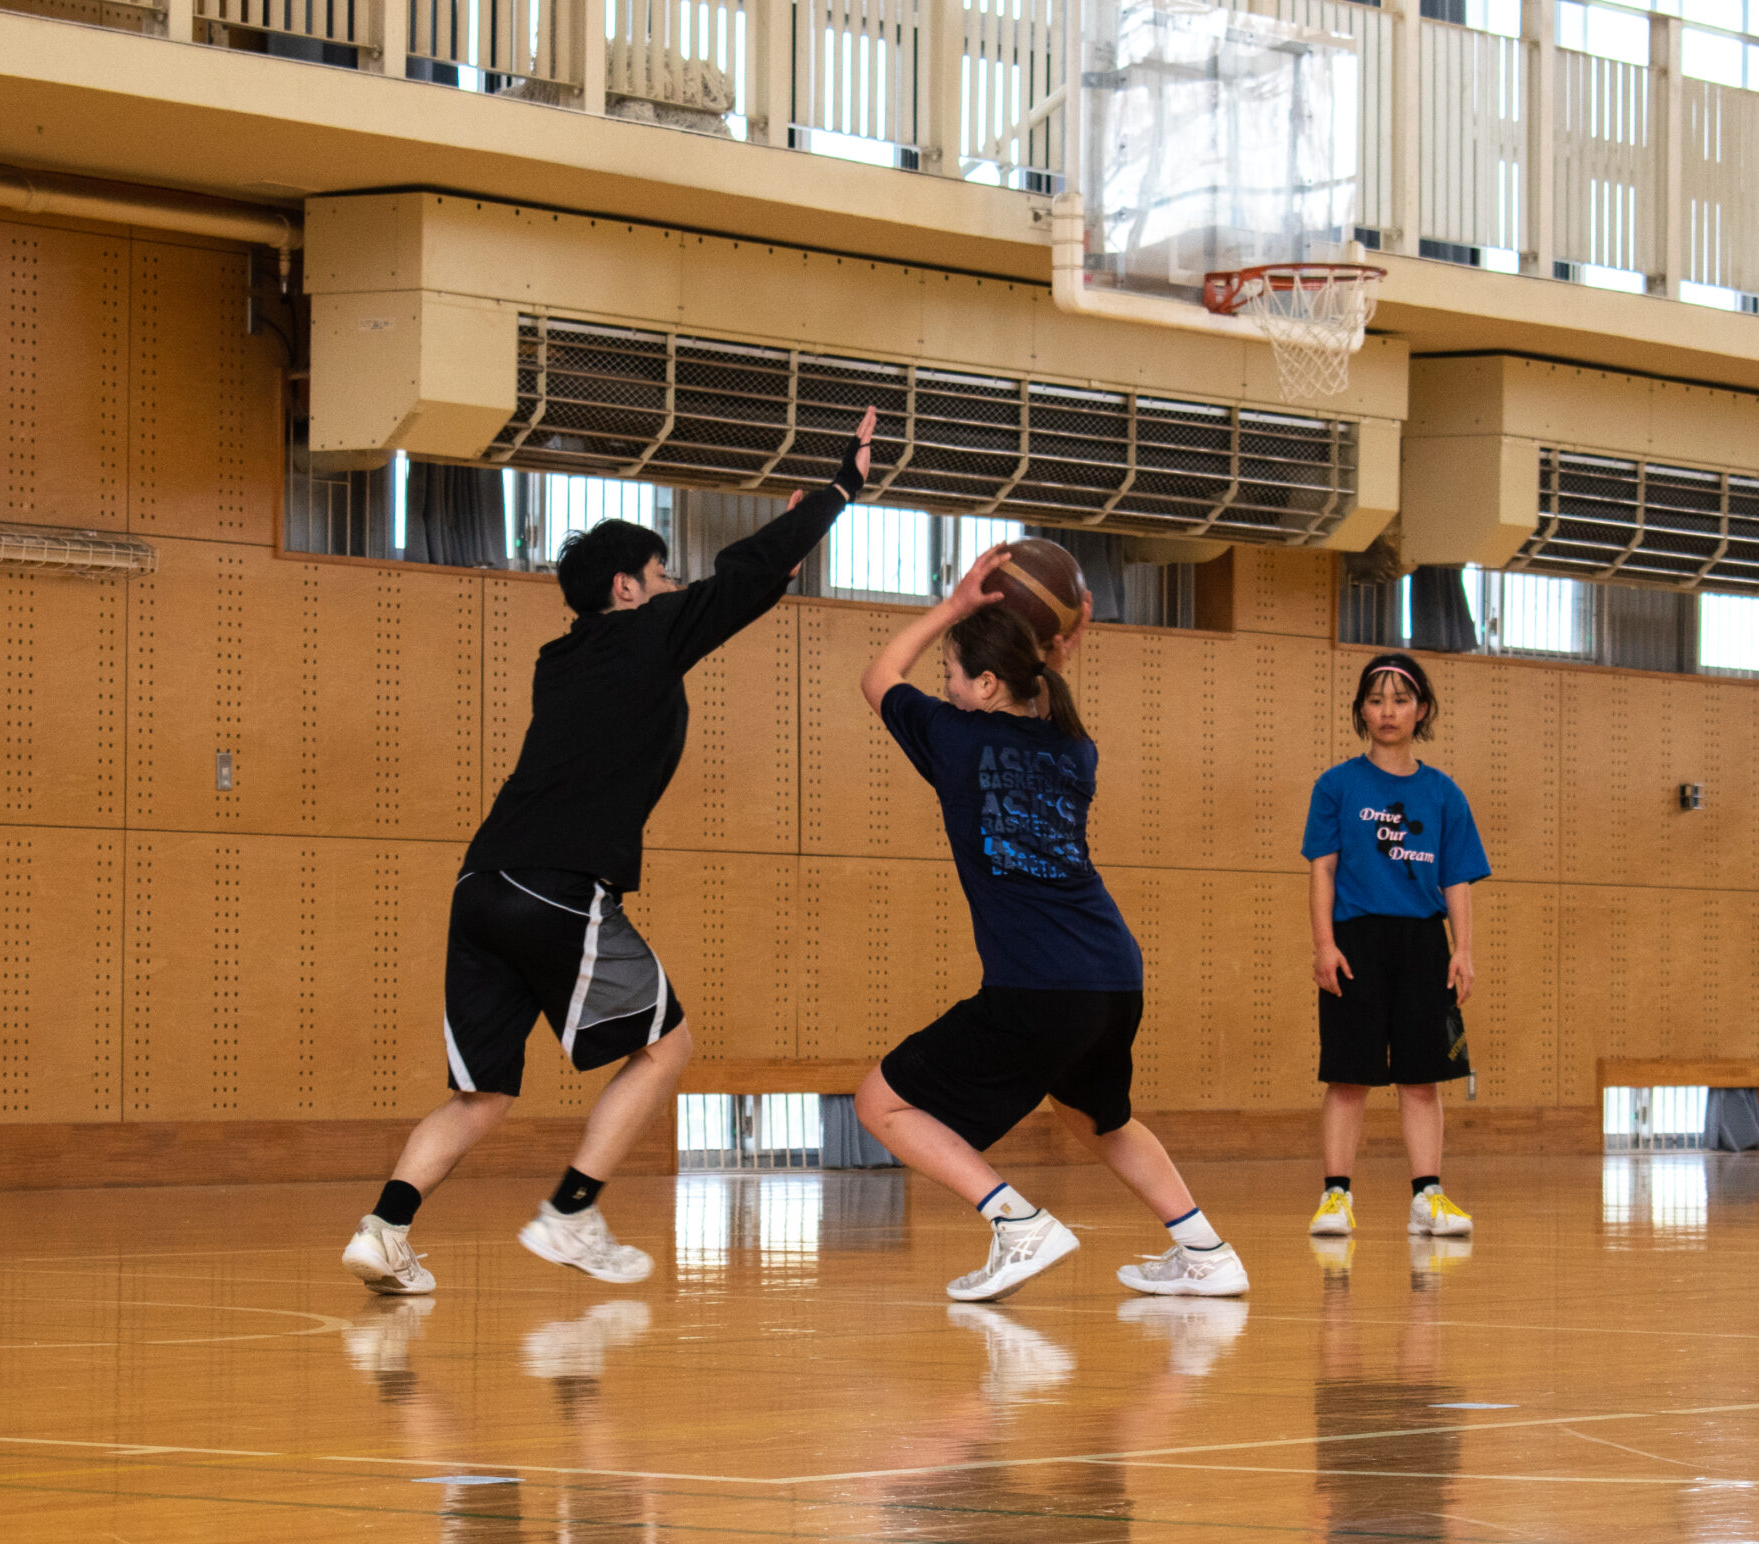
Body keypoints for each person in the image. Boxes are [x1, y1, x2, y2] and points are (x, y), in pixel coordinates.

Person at [340, 410, 878, 1294]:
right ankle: (572, 1210)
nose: (676, 588)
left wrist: (784, 549)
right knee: (667, 1047)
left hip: (480, 885)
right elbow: (739, 577)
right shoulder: (647, 633)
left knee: (482, 1094)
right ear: (628, 589)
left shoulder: (564, 657)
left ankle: (385, 1227)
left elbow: (744, 584)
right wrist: (840, 489)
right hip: (554, 884)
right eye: (665, 575)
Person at [851, 551, 1249, 1304]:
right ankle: (1205, 1249)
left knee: (881, 1101)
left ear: (988, 684)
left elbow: (878, 678)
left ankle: (1016, 1221)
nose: (945, 686)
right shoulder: (1076, 751)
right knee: (1094, 1115)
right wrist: (1061, 636)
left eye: (954, 673)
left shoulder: (956, 739)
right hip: (1112, 975)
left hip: (1038, 986)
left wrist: (953, 604)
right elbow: (1044, 681)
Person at [1302, 650, 1488, 1241]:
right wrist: (1324, 944)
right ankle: (1336, 1198)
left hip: (1422, 942)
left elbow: (1455, 876)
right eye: (1376, 700)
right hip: (1357, 939)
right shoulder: (1336, 785)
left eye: (1400, 699)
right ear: (1360, 710)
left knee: (1422, 1079)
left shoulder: (1444, 793)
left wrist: (1462, 949)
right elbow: (1323, 871)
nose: (1388, 711)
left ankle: (1427, 1196)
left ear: (1421, 710)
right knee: (1348, 1077)